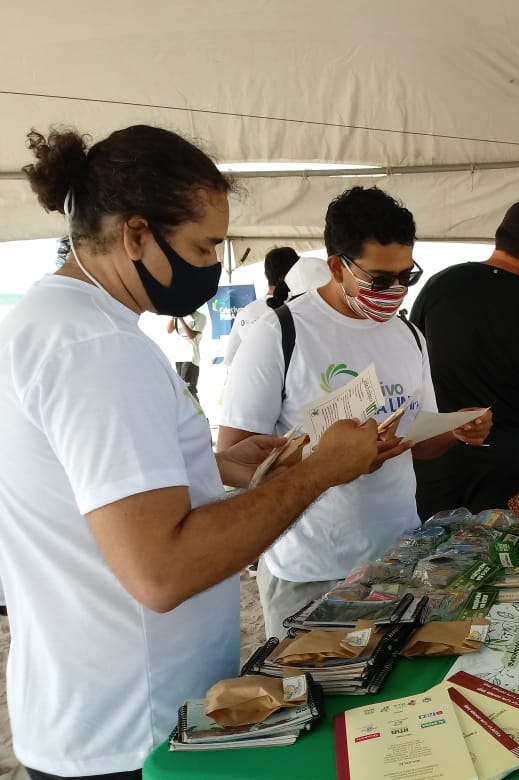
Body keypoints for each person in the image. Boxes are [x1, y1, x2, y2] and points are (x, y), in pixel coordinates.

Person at [1, 125, 378, 779]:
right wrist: (320, 472)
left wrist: (209, 466)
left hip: (85, 711)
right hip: (132, 731)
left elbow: (84, 489)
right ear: (136, 233)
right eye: (204, 245)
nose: (211, 265)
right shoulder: (99, 348)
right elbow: (162, 570)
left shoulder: (45, 322)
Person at [218, 186, 491, 637]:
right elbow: (235, 458)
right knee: (308, 681)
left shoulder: (408, 336)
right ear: (335, 266)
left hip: (400, 560)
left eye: (407, 276)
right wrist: (331, 461)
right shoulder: (279, 334)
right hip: (309, 570)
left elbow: (419, 444)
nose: (395, 291)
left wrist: (457, 430)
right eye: (380, 280)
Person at [410, 201, 519, 520]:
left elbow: (412, 352)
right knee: (492, 544)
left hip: (437, 446)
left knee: (430, 540)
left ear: (499, 236)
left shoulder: (440, 284)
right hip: (503, 456)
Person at [223, 246, 300, 366]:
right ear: (297, 272)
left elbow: (230, 359)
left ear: (266, 275)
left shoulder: (246, 313)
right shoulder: (306, 310)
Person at [166, 307, 207, 398]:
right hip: (179, 357)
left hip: (190, 357)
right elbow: (169, 330)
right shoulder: (179, 315)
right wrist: (173, 317)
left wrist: (181, 319)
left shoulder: (201, 317)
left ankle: (197, 407)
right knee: (182, 390)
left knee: (188, 391)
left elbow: (191, 335)